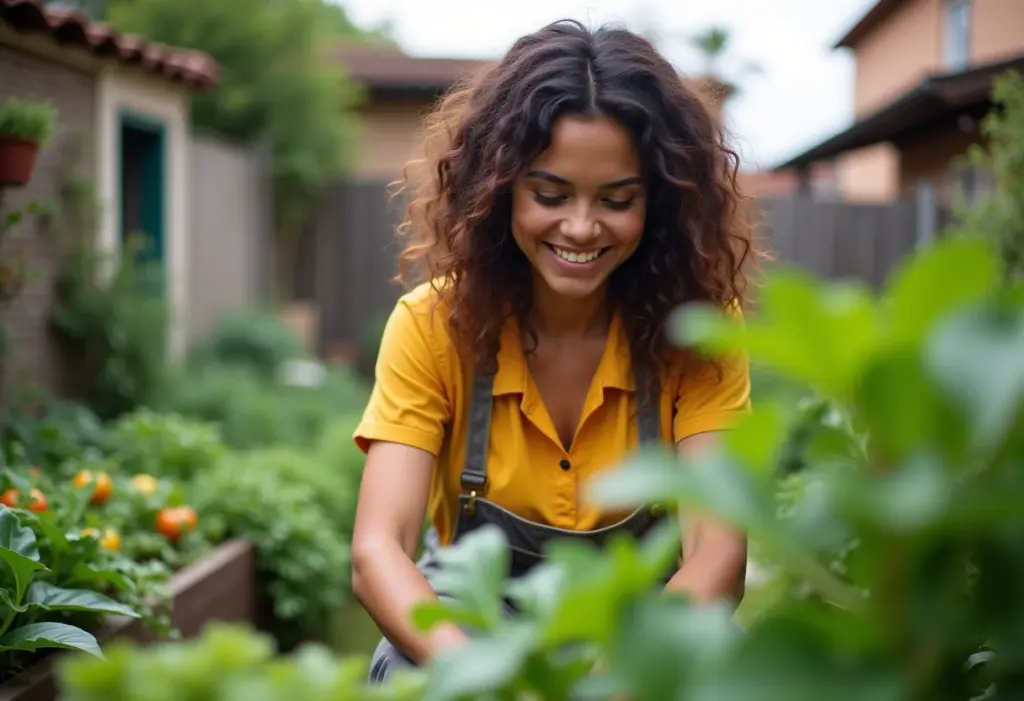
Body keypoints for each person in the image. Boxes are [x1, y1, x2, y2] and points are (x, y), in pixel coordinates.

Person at [350, 18, 755, 683]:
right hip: (473, 622)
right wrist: (490, 677)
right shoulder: (431, 326)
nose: (580, 226)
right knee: (405, 671)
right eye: (550, 193)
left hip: (640, 625)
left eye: (617, 199)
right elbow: (378, 550)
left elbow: (717, 556)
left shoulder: (700, 331)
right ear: (498, 185)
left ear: (660, 203)